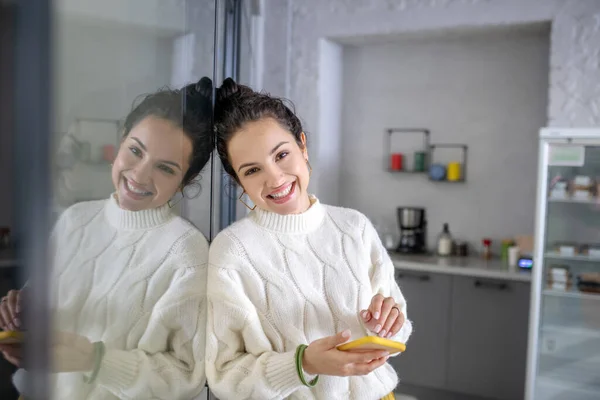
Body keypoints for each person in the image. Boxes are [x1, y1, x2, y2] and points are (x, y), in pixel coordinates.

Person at [0, 77, 214, 399]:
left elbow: (185, 376)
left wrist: (94, 360)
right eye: (135, 151)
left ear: (186, 180)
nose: (140, 175)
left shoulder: (187, 251)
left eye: (166, 168)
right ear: (120, 142)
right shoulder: (75, 220)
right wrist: (20, 311)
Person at [205, 78, 413, 400]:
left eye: (281, 155)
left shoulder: (353, 227)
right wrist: (303, 364)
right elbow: (224, 374)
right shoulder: (233, 251)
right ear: (238, 181)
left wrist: (387, 324)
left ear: (302, 145)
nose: (275, 178)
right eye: (251, 170)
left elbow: (399, 330)